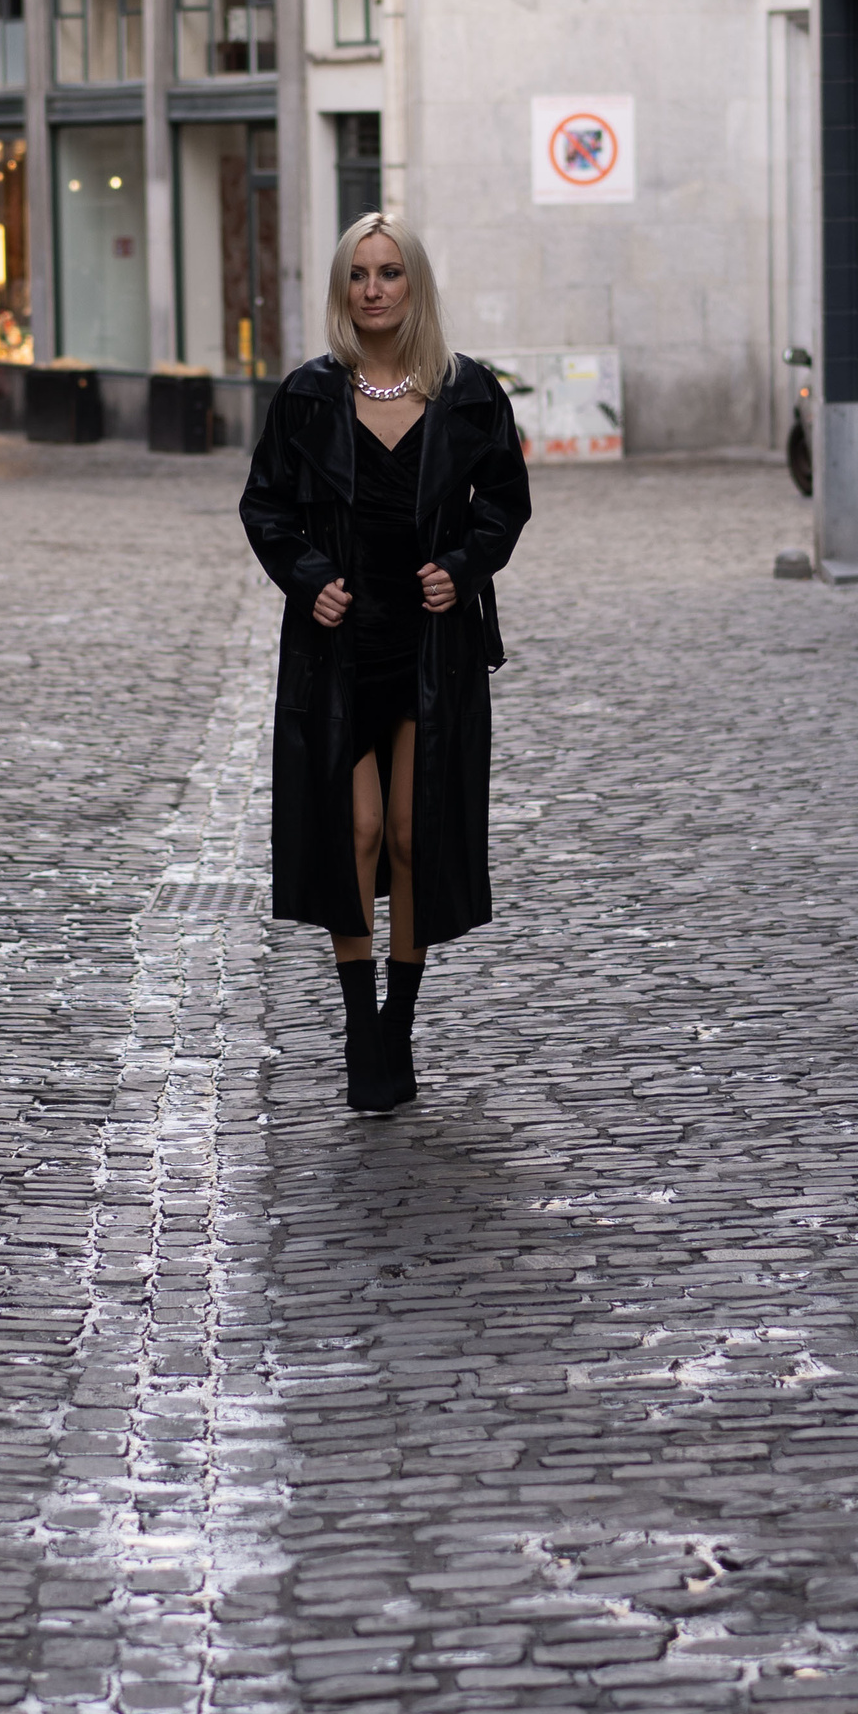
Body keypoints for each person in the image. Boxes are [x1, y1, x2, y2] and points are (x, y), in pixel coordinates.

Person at [238, 212, 532, 1113]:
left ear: (416, 286)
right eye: (359, 274)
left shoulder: (468, 393)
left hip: (429, 654)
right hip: (338, 654)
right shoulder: (308, 398)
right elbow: (266, 508)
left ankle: (396, 1029)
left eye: (390, 272)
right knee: (353, 835)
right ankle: (359, 1029)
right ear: (343, 288)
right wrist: (308, 577)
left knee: (411, 838)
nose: (374, 288)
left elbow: (506, 506)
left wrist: (461, 567)